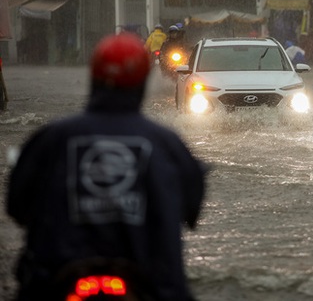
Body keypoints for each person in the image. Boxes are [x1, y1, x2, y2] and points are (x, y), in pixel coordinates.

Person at [6, 33, 207, 301]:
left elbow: (16, 206)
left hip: (55, 279)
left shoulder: (51, 139)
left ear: (94, 77)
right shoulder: (167, 144)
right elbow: (192, 210)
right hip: (151, 283)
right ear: (142, 82)